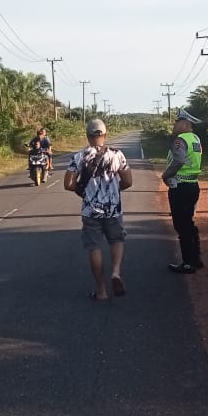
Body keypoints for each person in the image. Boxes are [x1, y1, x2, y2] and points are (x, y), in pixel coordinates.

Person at [64, 119, 133, 301]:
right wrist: (114, 192)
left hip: (91, 210)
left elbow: (68, 184)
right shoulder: (117, 155)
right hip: (113, 209)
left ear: (88, 136)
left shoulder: (79, 156)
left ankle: (101, 291)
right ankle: (116, 272)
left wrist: (84, 191)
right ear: (104, 135)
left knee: (94, 247)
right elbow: (128, 181)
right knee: (117, 240)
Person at [163, 109, 203, 274]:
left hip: (180, 187)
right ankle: (196, 258)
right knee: (189, 223)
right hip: (193, 184)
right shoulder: (195, 138)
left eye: (177, 122)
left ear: (185, 123)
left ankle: (188, 262)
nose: (174, 125)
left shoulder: (180, 139)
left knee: (181, 225)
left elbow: (179, 160)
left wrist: (166, 174)